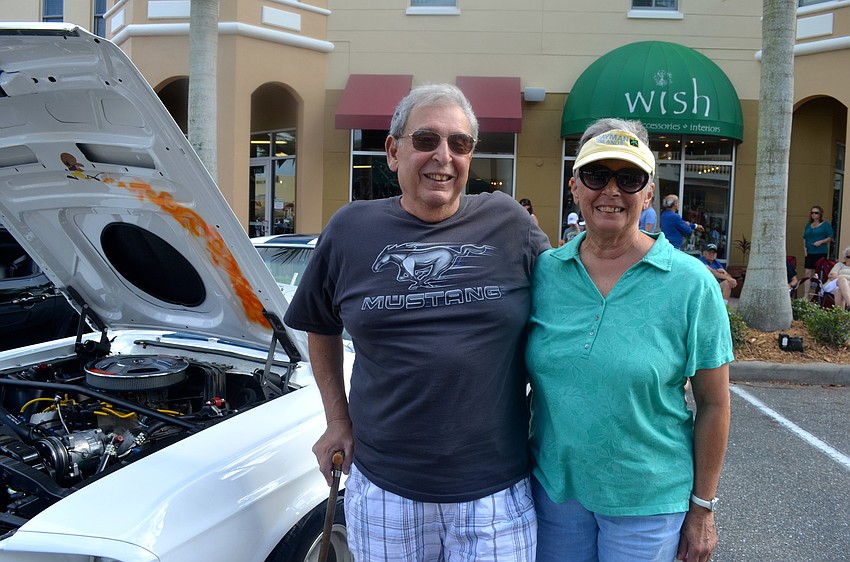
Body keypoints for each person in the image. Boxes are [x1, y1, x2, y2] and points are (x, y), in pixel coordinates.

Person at [284, 83, 549, 561]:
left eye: (460, 144)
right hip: (386, 487)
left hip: (495, 490)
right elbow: (318, 324)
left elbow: (568, 304)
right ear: (393, 151)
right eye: (426, 140)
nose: (443, 156)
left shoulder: (509, 222)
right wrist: (337, 419)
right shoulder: (350, 231)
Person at [526, 118, 733, 562]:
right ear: (575, 187)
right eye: (597, 176)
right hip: (556, 494)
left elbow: (714, 404)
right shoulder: (544, 273)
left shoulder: (690, 283)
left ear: (649, 192)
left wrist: (703, 508)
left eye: (630, 177)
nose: (612, 191)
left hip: (648, 501)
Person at [803, 205, 834, 297]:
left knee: (818, 273)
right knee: (807, 272)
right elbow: (804, 238)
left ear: (820, 214)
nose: (814, 214)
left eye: (816, 212)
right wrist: (804, 248)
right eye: (812, 212)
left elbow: (830, 237)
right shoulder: (808, 225)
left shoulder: (825, 225)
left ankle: (816, 294)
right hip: (810, 251)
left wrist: (821, 241)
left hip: (820, 251)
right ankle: (806, 295)